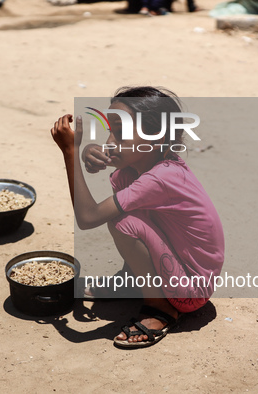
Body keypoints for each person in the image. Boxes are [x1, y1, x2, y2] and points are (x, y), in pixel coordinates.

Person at [50, 86, 224, 348]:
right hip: (182, 273)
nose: (110, 141)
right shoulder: (149, 163)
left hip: (190, 293)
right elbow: (113, 158)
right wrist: (89, 153)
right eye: (111, 130)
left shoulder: (161, 178)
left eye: (120, 133)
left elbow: (87, 218)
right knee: (125, 192)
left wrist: (71, 152)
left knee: (122, 222)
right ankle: (131, 282)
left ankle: (160, 310)